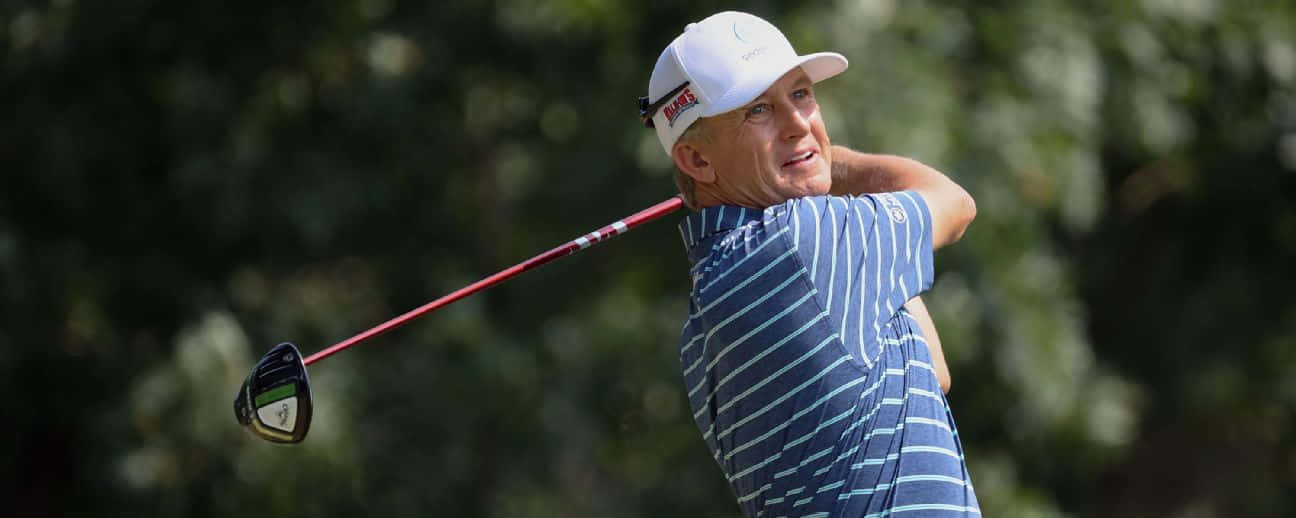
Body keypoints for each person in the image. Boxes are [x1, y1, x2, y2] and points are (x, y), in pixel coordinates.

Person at [639, 11, 979, 516]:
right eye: (758, 110)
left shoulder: (715, 294)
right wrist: (830, 162)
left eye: (800, 94)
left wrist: (808, 165)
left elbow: (931, 371)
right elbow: (953, 202)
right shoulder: (798, 245)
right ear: (696, 160)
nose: (799, 123)